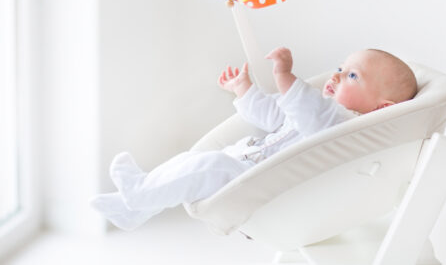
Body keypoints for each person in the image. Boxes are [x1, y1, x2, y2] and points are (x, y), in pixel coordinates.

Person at [90, 47, 417, 230]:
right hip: (246, 160)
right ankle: (136, 204)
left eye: (352, 76)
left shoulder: (346, 124)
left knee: (207, 164)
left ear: (381, 108)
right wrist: (243, 90)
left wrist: (284, 76)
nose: (336, 76)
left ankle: (138, 195)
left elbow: (311, 114)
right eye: (341, 67)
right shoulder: (322, 109)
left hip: (258, 180)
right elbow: (275, 115)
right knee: (189, 161)